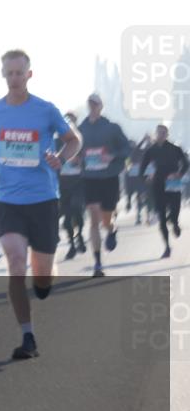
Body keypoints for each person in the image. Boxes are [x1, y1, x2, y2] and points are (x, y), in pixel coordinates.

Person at [0, 50, 81, 359]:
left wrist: (60, 158)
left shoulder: (45, 110)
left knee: (43, 278)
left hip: (43, 199)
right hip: (8, 200)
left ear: (29, 75)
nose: (14, 78)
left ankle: (45, 277)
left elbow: (74, 140)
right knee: (15, 260)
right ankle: (28, 336)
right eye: (9, 73)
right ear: (3, 75)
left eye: (19, 73)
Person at [78, 93, 131, 277]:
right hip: (89, 178)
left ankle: (111, 229)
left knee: (105, 219)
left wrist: (113, 155)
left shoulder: (112, 128)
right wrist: (76, 158)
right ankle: (98, 263)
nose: (92, 107)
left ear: (101, 106)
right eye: (90, 104)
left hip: (109, 177)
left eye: (96, 104)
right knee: (94, 218)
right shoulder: (80, 129)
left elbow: (127, 148)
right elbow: (73, 149)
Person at [139, 124, 190, 258]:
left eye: (163, 133)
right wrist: (146, 178)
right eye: (159, 133)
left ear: (167, 135)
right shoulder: (151, 150)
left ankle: (175, 223)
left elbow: (186, 163)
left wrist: (179, 173)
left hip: (173, 183)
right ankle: (167, 247)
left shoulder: (175, 149)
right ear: (156, 134)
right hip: (158, 185)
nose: (161, 135)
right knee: (161, 218)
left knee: (174, 211)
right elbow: (142, 169)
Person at [58, 112, 86, 260]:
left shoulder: (81, 139)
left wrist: (81, 160)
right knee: (67, 217)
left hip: (78, 182)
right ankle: (72, 245)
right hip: (63, 183)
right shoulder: (56, 140)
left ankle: (79, 234)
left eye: (72, 120)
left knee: (77, 209)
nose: (69, 123)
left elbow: (90, 158)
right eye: (67, 120)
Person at [125, 136, 151, 224]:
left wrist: (147, 141)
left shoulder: (141, 152)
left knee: (140, 196)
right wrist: (144, 140)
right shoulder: (130, 153)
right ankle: (131, 205)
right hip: (133, 177)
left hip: (139, 178)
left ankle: (140, 215)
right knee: (136, 195)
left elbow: (148, 149)